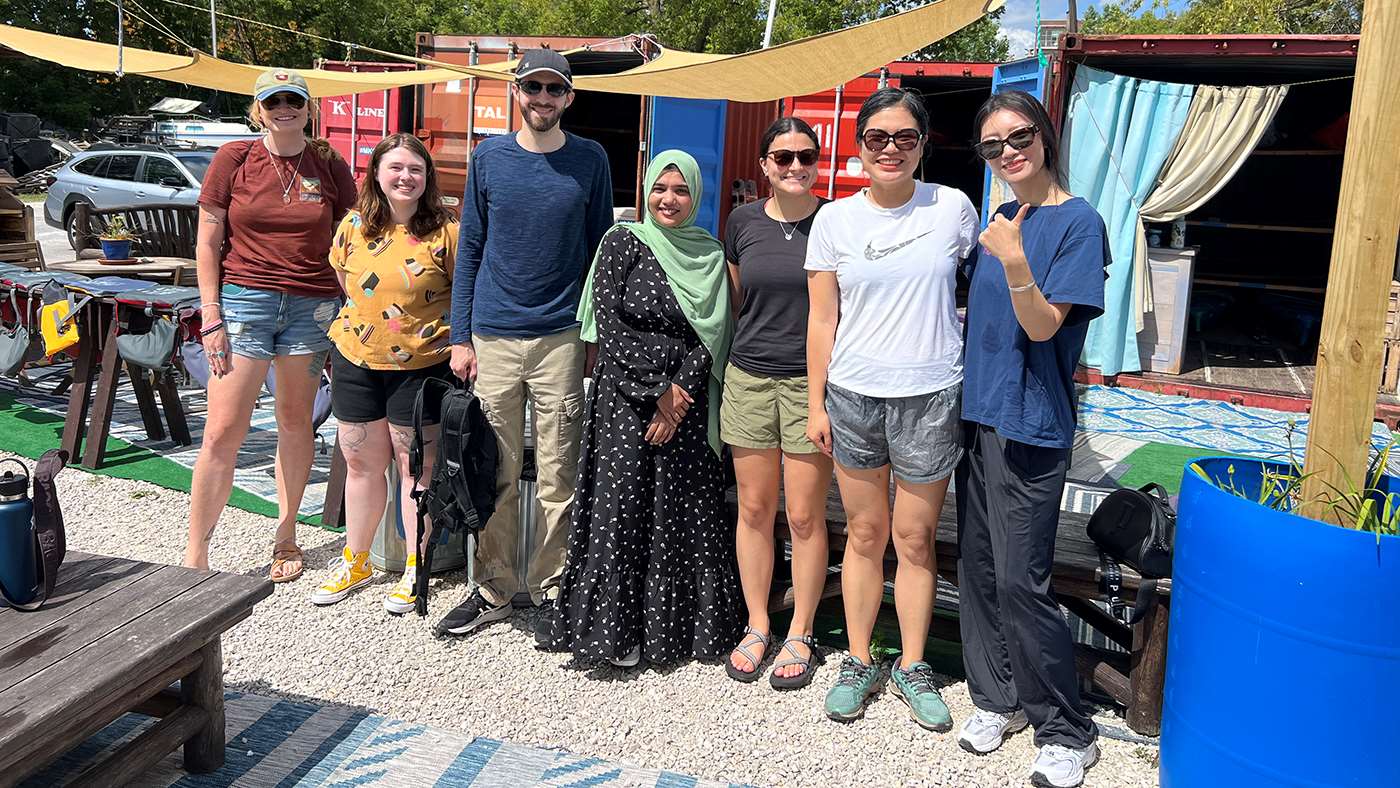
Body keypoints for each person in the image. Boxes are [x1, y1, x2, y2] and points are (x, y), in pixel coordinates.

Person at [804, 88, 978, 728]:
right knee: (866, 534)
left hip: (930, 392)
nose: (891, 149)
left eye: (905, 137)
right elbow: (822, 319)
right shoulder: (835, 221)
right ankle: (857, 658)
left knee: (914, 538)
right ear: (859, 148)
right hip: (853, 395)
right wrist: (816, 401)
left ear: (923, 145)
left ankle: (910, 665)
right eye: (878, 137)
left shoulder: (953, 208)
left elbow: (981, 283)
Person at [954, 90, 1107, 788]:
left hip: (1032, 425)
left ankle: (1068, 731)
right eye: (992, 146)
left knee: (1023, 580)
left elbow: (1045, 327)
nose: (1007, 152)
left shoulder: (1078, 223)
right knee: (980, 572)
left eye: (1018, 137)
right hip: (979, 417)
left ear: (1045, 136)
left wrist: (1014, 258)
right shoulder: (1000, 219)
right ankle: (999, 698)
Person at [441, 49, 614, 635]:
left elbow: (600, 253)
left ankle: (550, 590)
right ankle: (492, 588)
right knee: (493, 468)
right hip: (492, 335)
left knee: (561, 472)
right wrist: (459, 335)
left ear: (569, 97)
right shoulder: (489, 157)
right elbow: (470, 248)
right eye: (533, 88)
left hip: (562, 336)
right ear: (517, 91)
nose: (543, 99)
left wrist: (594, 335)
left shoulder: (590, 160)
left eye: (554, 90)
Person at [546, 150, 739, 667]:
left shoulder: (710, 253)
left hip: (688, 404)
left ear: (695, 197)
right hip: (625, 400)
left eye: (680, 191)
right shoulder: (622, 242)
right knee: (622, 508)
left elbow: (714, 336)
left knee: (679, 510)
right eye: (660, 189)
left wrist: (678, 397)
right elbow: (610, 323)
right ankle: (614, 633)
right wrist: (657, 391)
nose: (669, 200)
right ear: (646, 191)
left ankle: (674, 635)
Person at [183, 68, 356, 582]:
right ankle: (196, 554)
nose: (285, 107)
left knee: (295, 422)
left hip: (313, 305)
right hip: (243, 303)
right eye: (273, 100)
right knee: (223, 429)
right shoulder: (234, 157)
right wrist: (210, 313)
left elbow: (351, 233)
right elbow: (208, 241)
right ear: (258, 108)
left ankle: (286, 534)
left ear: (308, 108)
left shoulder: (327, 161)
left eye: (294, 100)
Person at [307, 133, 458, 613]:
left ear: (427, 177)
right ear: (375, 173)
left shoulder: (446, 232)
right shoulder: (353, 226)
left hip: (421, 367)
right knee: (361, 464)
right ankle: (357, 559)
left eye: (415, 169)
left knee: (416, 468)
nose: (405, 177)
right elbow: (342, 282)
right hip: (356, 360)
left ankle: (417, 564)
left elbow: (466, 290)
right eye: (395, 167)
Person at [722, 117, 832, 689]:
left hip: (810, 385)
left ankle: (802, 631)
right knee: (754, 511)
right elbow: (740, 299)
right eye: (782, 157)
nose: (794, 166)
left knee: (805, 516)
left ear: (819, 161)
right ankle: (758, 623)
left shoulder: (833, 222)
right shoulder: (740, 222)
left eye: (805, 156)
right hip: (747, 380)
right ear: (763, 165)